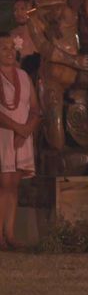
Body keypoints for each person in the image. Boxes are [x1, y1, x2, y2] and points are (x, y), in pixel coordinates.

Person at [0, 31, 40, 249]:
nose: (8, 52)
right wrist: (18, 129)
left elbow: (35, 108)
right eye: (3, 48)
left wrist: (25, 131)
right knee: (3, 183)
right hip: (4, 135)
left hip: (21, 135)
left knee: (13, 185)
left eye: (10, 47)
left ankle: (10, 233)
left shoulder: (24, 76)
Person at [9, 0, 39, 77]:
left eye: (23, 9)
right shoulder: (11, 36)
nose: (18, 13)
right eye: (15, 10)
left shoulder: (41, 33)